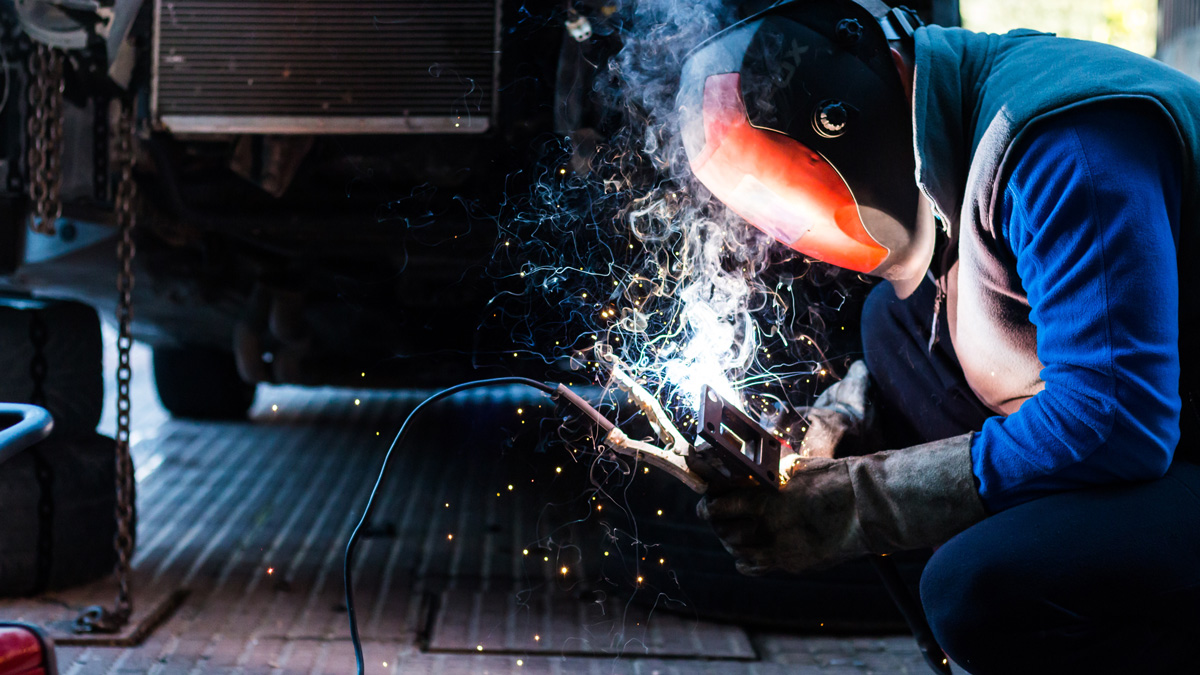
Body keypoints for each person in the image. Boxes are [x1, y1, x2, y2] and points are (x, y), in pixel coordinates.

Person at [676, 1, 1200, 672]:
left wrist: (858, 502)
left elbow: (1117, 420)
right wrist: (835, 424)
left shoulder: (1061, 146)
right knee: (893, 326)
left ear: (843, 118)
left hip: (1157, 435)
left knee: (979, 588)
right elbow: (958, 316)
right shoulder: (959, 124)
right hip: (1169, 423)